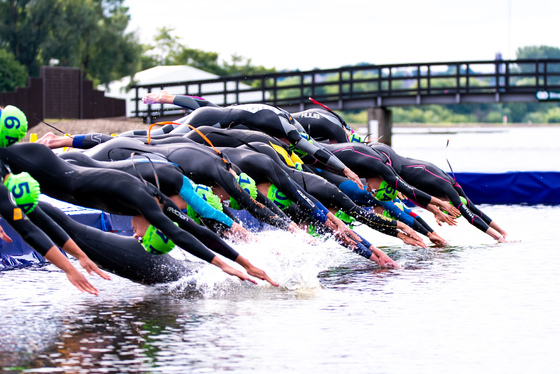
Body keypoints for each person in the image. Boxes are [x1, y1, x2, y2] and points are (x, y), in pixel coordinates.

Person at [0, 141, 278, 286]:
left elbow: (194, 230)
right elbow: (177, 232)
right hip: (46, 164)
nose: (137, 236)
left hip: (60, 171)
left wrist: (244, 263)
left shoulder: (152, 202)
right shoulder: (138, 195)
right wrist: (227, 264)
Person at [142, 90, 365, 190]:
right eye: (290, 143)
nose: (288, 146)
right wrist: (346, 170)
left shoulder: (271, 117)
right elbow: (313, 149)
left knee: (159, 136)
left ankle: (118, 141)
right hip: (208, 122)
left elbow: (207, 106)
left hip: (207, 117)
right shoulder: (286, 126)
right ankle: (142, 160)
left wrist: (169, 98)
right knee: (164, 143)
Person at [58, 151, 254, 242]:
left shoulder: (156, 195)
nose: (136, 235)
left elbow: (202, 228)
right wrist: (253, 240)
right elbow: (209, 212)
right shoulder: (179, 183)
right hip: (78, 161)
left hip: (79, 172)